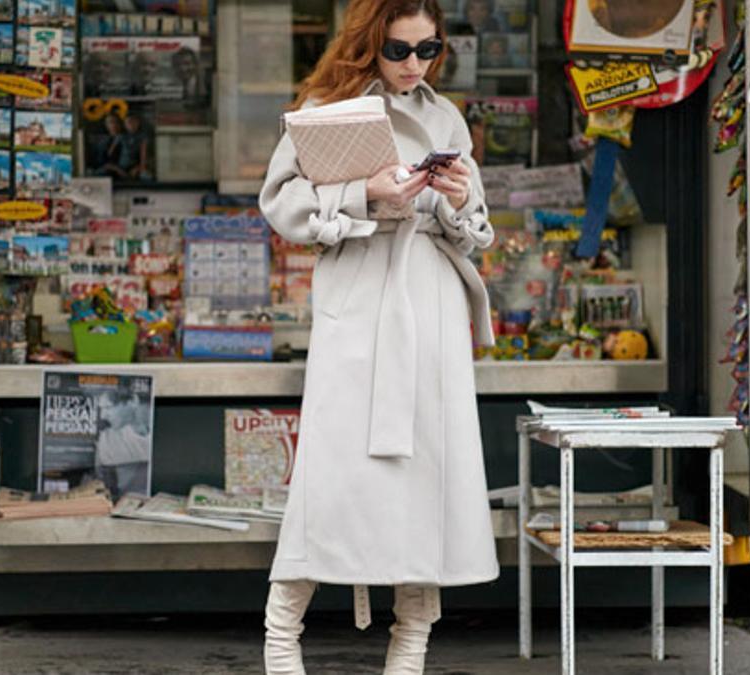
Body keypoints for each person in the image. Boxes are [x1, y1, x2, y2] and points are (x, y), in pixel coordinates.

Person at [258, 1, 497, 673]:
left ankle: (411, 644)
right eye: (399, 50)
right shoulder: (328, 107)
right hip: (361, 299)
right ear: (370, 44)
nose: (414, 65)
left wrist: (454, 197)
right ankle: (281, 636)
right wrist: (364, 194)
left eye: (429, 50)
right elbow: (280, 201)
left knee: (423, 479)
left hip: (431, 301)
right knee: (330, 476)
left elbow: (474, 227)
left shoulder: (445, 116)